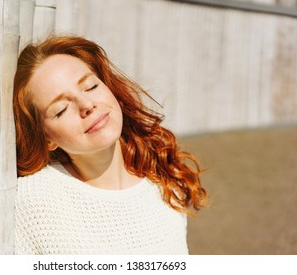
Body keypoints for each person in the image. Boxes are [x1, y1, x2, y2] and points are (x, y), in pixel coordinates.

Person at [13, 34, 207, 255]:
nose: (87, 105)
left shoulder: (163, 179)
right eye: (61, 109)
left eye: (90, 86)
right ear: (47, 138)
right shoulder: (34, 202)